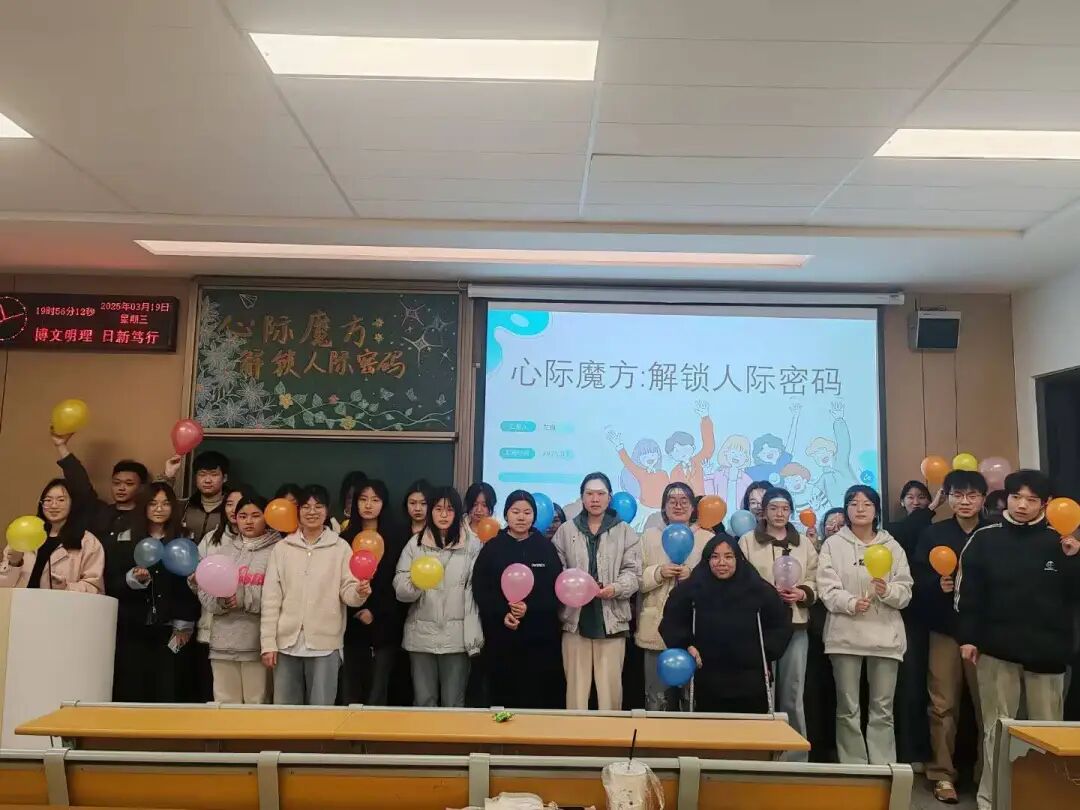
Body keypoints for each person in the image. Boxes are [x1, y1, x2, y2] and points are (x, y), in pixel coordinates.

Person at [955, 470, 1080, 810]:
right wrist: (969, 637)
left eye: (1031, 500)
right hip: (997, 649)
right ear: (1005, 499)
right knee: (996, 730)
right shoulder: (985, 538)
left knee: (1048, 733)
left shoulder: (1061, 540)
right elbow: (969, 594)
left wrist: (1074, 559)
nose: (1022, 505)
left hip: (1048, 652)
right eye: (1016, 497)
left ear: (1046, 504)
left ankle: (1043, 801)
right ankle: (991, 800)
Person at [818, 485, 913, 765]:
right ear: (846, 509)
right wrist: (849, 603)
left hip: (885, 637)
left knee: (882, 709)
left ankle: (884, 767)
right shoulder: (833, 545)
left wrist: (887, 591)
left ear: (876, 510)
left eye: (867, 504)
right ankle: (854, 767)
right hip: (844, 636)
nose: (860, 509)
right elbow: (826, 588)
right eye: (853, 503)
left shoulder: (892, 546)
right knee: (848, 708)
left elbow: (905, 590)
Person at [912, 470, 988, 804]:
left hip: (985, 634)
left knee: (989, 708)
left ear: (983, 499)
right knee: (942, 705)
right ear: (949, 498)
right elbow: (916, 578)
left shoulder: (993, 532)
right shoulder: (934, 533)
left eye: (972, 495)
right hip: (944, 629)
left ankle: (988, 774)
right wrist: (936, 584)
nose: (965, 502)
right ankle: (942, 774)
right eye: (958, 495)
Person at [260, 485, 370, 705]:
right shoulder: (282, 548)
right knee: (285, 713)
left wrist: (359, 593)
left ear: (327, 510)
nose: (312, 512)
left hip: (325, 645)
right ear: (297, 510)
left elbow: (348, 593)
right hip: (286, 644)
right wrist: (268, 644)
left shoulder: (340, 547)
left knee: (322, 712)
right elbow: (271, 599)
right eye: (306, 506)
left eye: (318, 506)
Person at [660, 533, 792, 713]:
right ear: (707, 560)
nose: (722, 562)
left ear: (738, 559)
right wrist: (685, 645)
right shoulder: (691, 589)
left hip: (749, 677)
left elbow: (780, 625)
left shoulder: (759, 589)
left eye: (728, 557)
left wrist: (764, 653)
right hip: (706, 676)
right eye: (715, 557)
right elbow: (671, 622)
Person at [738, 487, 819, 759]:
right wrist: (766, 593)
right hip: (760, 627)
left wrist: (802, 593)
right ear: (763, 512)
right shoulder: (748, 541)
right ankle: (762, 754)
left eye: (785, 508)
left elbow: (815, 577)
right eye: (773, 508)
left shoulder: (803, 543)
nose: (779, 513)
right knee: (763, 691)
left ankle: (795, 758)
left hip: (796, 624)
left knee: (793, 693)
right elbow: (742, 579)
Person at [552, 472, 641, 711]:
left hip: (611, 620)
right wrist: (574, 588)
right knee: (576, 692)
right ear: (581, 497)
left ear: (609, 498)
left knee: (610, 694)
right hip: (575, 621)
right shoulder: (566, 530)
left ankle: (610, 735)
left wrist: (615, 589)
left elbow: (634, 573)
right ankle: (576, 735)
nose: (595, 499)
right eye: (589, 493)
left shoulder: (625, 531)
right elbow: (557, 571)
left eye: (600, 494)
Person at [473, 490, 564, 709]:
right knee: (502, 696)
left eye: (527, 512)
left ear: (534, 516)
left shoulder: (546, 548)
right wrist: (503, 612)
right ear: (506, 514)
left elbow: (556, 591)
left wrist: (529, 608)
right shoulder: (492, 548)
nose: (521, 517)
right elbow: (480, 588)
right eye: (515, 512)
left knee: (535, 697)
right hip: (500, 637)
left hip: (539, 640)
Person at [394, 486, 483, 707]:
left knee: (454, 704)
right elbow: (400, 590)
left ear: (458, 512)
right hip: (421, 638)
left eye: (450, 509)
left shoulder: (473, 545)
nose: (443, 515)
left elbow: (478, 591)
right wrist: (417, 582)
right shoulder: (415, 544)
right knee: (424, 702)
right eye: (438, 509)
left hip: (457, 639)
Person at [113, 483, 200, 702]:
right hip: (133, 627)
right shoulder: (126, 538)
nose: (159, 509)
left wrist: (185, 623)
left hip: (172, 627)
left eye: (165, 504)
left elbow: (189, 587)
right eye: (153, 503)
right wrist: (134, 578)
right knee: (133, 689)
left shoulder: (185, 539)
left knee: (168, 689)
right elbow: (112, 581)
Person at [196, 493, 279, 704]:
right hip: (222, 643)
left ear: (267, 517)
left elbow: (280, 596)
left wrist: (244, 597)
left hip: (257, 644)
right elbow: (206, 592)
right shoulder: (223, 550)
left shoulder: (278, 550)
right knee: (223, 704)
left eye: (255, 515)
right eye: (243, 516)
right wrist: (221, 601)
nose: (248, 521)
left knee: (256, 703)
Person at [636, 482, 712, 710]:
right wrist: (658, 573)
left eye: (684, 501)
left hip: (696, 629)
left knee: (692, 699)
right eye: (672, 501)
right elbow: (635, 578)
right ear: (663, 507)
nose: (678, 506)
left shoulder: (706, 538)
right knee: (656, 698)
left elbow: (716, 580)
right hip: (655, 628)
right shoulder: (648, 537)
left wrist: (693, 575)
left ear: (693, 507)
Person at [888, 480, 942, 766]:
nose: (916, 502)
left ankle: (925, 752)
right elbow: (907, 532)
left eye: (922, 497)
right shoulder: (892, 531)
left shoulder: (937, 531)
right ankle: (906, 751)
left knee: (929, 687)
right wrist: (931, 508)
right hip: (897, 613)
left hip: (928, 616)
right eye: (910, 497)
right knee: (905, 685)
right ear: (901, 501)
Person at [340, 479, 402, 705]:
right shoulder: (344, 539)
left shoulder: (397, 538)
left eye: (375, 500)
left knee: (377, 693)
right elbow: (339, 582)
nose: (368, 505)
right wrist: (357, 609)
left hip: (384, 627)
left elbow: (396, 583)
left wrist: (375, 612)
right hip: (351, 626)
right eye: (363, 499)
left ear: (384, 504)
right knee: (351, 692)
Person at [51, 430, 162, 541]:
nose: (121, 488)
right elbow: (80, 483)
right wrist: (61, 446)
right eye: (116, 483)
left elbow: (161, 496)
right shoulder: (100, 511)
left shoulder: (145, 516)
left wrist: (168, 474)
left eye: (129, 484)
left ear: (141, 487)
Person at [0, 478, 104, 592]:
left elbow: (95, 588)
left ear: (73, 503)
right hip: (22, 602)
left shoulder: (87, 542)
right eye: (48, 500)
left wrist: (66, 587)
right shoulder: (24, 533)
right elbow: (4, 585)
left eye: (61, 500)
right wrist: (14, 564)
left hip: (60, 602)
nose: (54, 505)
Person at [191, 486, 244, 702]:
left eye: (239, 504)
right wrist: (194, 581)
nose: (233, 509)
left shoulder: (261, 541)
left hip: (247, 633)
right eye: (229, 504)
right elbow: (198, 582)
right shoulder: (211, 539)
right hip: (211, 628)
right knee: (213, 694)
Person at [805, 507, 846, 762]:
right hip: (814, 629)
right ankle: (816, 746)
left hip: (845, 628)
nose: (835, 527)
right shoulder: (812, 548)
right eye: (831, 523)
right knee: (814, 688)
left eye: (841, 523)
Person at [181, 451, 230, 539]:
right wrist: (168, 476)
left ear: (224, 478)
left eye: (214, 474)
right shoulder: (185, 506)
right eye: (202, 474)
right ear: (195, 477)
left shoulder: (232, 509)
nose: (207, 480)